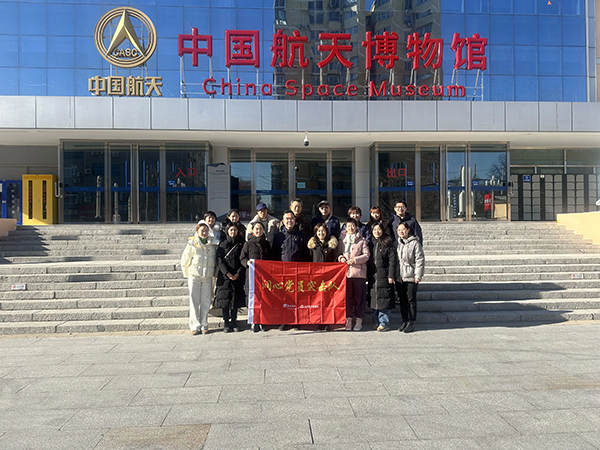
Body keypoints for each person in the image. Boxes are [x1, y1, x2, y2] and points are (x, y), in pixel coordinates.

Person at [180, 221, 218, 335]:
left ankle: (204, 324)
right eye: (202, 231)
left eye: (206, 230)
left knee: (206, 302)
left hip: (207, 277)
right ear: (197, 231)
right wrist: (187, 274)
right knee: (194, 301)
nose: (204, 233)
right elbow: (185, 259)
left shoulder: (213, 244)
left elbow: (215, 261)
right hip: (195, 276)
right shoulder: (192, 243)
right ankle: (195, 325)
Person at [273, 210, 306, 331]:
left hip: (298, 272)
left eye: (291, 218)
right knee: (284, 297)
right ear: (283, 221)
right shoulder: (279, 236)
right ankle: (284, 320)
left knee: (297, 297)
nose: (289, 221)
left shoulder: (301, 235)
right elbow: (275, 254)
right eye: (287, 219)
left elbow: (305, 254)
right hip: (283, 272)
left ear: (295, 220)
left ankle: (296, 321)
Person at [337, 218, 370, 331]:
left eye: (353, 226)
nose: (350, 228)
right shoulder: (342, 239)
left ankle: (359, 320)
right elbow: (338, 253)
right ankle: (349, 319)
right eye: (348, 226)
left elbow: (366, 255)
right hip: (346, 273)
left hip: (358, 273)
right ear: (345, 227)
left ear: (356, 227)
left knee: (359, 298)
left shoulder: (362, 240)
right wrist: (341, 258)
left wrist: (355, 260)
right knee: (347, 298)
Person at [240, 222, 271, 333]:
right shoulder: (248, 244)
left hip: (264, 277)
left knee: (264, 298)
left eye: (261, 229)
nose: (259, 231)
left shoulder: (266, 244)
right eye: (256, 229)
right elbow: (242, 258)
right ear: (252, 230)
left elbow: (270, 258)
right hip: (252, 276)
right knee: (253, 298)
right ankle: (254, 322)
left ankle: (262, 321)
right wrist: (247, 263)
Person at [214, 223, 245, 332]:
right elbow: (219, 260)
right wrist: (227, 273)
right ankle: (226, 321)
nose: (233, 232)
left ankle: (234, 320)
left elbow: (243, 259)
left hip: (237, 275)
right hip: (225, 276)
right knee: (225, 299)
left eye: (235, 230)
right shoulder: (222, 244)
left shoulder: (241, 243)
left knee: (235, 299)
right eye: (231, 230)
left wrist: (238, 273)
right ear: (227, 231)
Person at [395, 222, 425, 333]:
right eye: (399, 230)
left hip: (411, 275)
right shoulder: (397, 243)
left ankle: (411, 321)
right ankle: (404, 320)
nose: (401, 232)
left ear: (408, 230)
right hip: (399, 276)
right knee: (402, 300)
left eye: (403, 229)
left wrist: (418, 275)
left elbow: (419, 260)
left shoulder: (415, 243)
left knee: (411, 300)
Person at [369, 223, 397, 332]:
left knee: (384, 299)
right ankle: (377, 321)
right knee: (375, 299)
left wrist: (391, 275)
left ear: (383, 230)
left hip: (384, 275)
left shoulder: (387, 242)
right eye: (374, 229)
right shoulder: (370, 242)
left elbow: (392, 261)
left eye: (379, 229)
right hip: (373, 276)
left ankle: (384, 323)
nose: (377, 231)